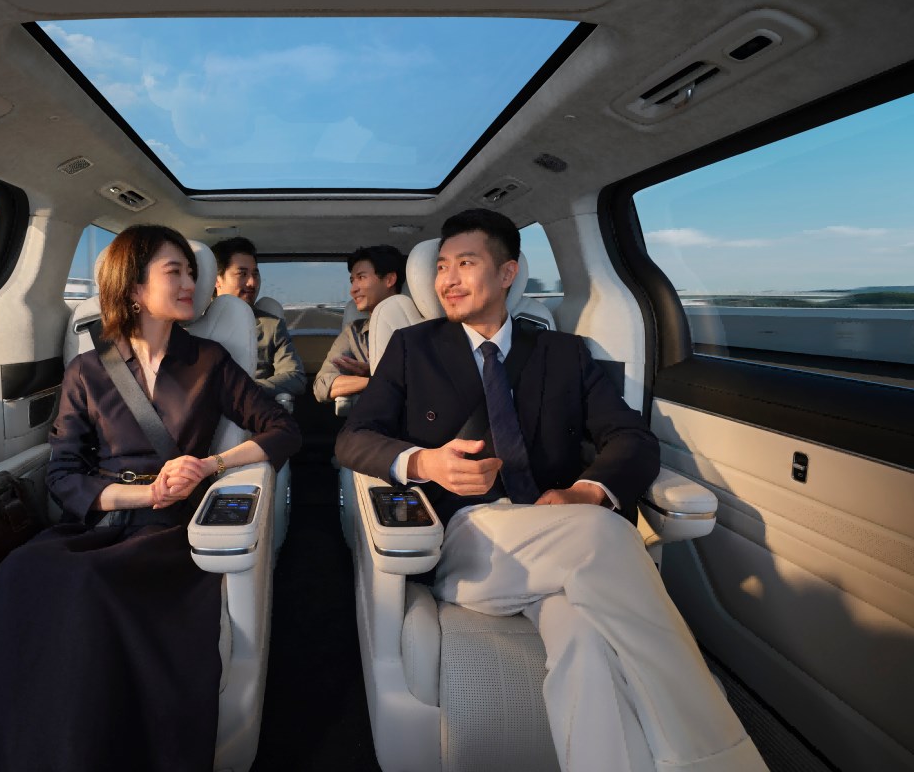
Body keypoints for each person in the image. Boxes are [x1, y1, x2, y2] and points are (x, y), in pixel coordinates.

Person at [335, 209, 764, 772]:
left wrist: (587, 492)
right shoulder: (413, 348)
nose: (448, 280)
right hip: (470, 539)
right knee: (605, 536)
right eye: (441, 266)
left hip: (559, 536)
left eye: (465, 264)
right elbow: (353, 438)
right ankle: (718, 757)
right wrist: (425, 462)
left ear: (507, 273)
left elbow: (631, 438)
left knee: (586, 644)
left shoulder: (563, 353)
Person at [0, 225, 301, 772]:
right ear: (134, 288)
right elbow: (63, 474)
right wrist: (135, 495)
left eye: (191, 272)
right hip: (98, 521)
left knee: (83, 587)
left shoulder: (209, 361)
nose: (191, 283)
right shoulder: (87, 370)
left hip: (170, 531)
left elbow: (282, 428)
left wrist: (210, 465)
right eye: (175, 272)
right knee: (19, 575)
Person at [211, 236, 306, 399]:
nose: (252, 283)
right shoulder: (192, 324)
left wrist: (247, 390)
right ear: (217, 280)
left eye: (255, 274)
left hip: (253, 406)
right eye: (242, 274)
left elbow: (295, 377)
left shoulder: (271, 326)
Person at [312, 244, 405, 404]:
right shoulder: (354, 332)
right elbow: (322, 385)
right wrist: (375, 380)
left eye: (361, 278)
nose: (352, 290)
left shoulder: (422, 327)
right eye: (352, 281)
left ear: (389, 279)